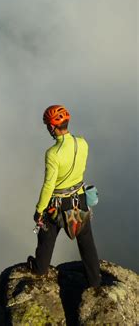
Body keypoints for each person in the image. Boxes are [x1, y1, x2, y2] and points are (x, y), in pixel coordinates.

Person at [27, 105, 101, 287]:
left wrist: (39, 210)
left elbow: (49, 185)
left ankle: (39, 268)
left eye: (47, 126)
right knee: (86, 242)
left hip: (58, 204)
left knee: (46, 236)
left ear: (52, 127)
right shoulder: (82, 143)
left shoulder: (53, 154)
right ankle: (95, 281)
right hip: (80, 199)